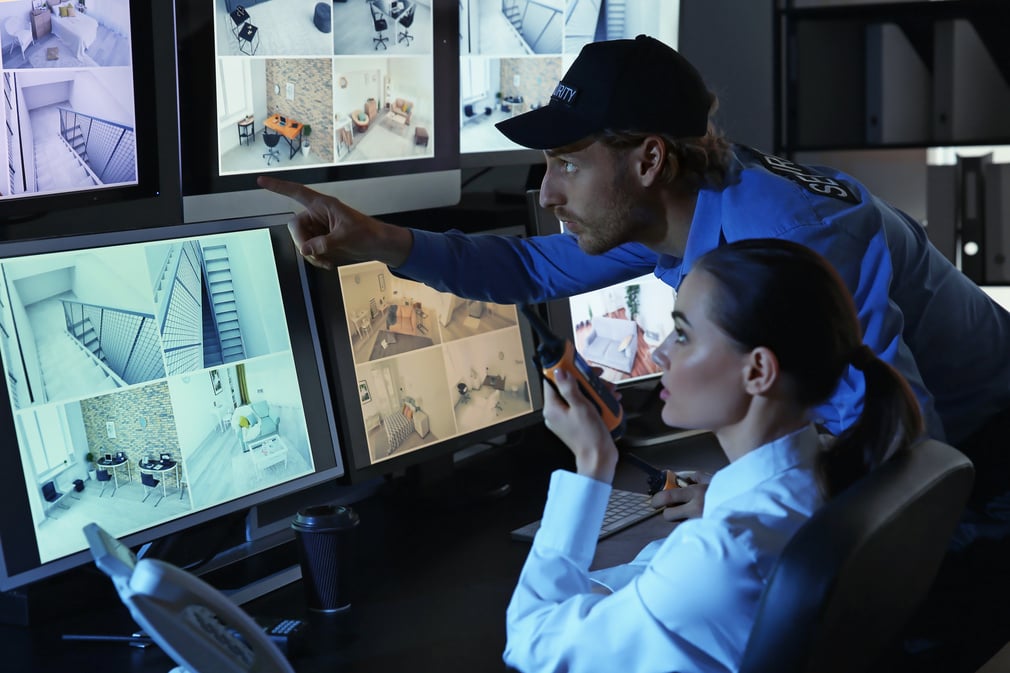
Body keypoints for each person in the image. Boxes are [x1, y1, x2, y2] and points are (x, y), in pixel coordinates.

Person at [259, 35, 1010, 669]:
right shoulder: (679, 206)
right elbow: (530, 269)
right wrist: (377, 241)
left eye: (567, 163)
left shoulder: (790, 239)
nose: (548, 192)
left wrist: (736, 507)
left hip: (988, 455)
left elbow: (906, 458)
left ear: (649, 159)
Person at [502, 237, 922, 672]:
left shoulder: (722, 552)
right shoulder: (822, 477)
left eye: (681, 334)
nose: (661, 352)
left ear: (757, 370)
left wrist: (593, 464)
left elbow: (531, 642)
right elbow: (670, 581)